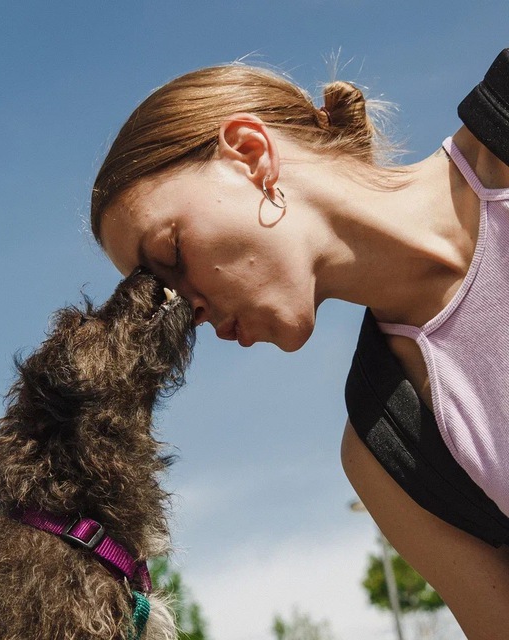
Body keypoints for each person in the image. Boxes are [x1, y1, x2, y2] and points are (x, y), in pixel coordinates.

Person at [90, 63, 509, 639]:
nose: (186, 312)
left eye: (172, 256)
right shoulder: (390, 456)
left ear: (249, 154)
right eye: (165, 296)